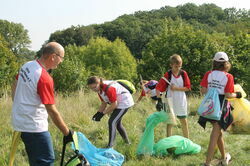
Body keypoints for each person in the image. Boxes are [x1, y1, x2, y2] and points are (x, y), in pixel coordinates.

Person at [11, 42, 73, 165]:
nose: (61, 61)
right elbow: (51, 110)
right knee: (46, 161)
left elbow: (15, 82)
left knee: (35, 161)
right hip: (34, 128)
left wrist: (18, 103)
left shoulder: (28, 65)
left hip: (21, 123)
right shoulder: (44, 78)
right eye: (62, 58)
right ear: (53, 56)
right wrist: (67, 133)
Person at [199, 52, 242, 166]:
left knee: (218, 133)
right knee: (215, 134)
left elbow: (203, 90)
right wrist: (237, 95)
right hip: (221, 107)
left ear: (214, 62)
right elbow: (228, 94)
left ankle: (224, 159)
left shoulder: (208, 74)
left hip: (209, 106)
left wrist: (213, 89)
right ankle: (207, 163)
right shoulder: (228, 76)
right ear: (226, 64)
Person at [87, 76, 134, 148]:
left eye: (95, 87)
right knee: (117, 123)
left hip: (125, 102)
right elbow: (103, 103)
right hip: (117, 102)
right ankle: (127, 143)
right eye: (91, 88)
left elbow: (114, 105)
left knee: (112, 122)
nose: (94, 89)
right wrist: (98, 113)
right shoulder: (99, 90)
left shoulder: (108, 88)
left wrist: (102, 114)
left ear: (99, 83)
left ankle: (110, 146)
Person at [155, 54, 191, 138]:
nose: (178, 68)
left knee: (184, 121)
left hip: (181, 101)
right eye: (176, 66)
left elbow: (188, 88)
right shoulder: (168, 75)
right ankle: (168, 142)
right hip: (170, 101)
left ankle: (187, 141)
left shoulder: (183, 74)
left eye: (180, 66)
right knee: (170, 122)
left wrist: (176, 88)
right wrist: (159, 100)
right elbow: (158, 88)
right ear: (171, 65)